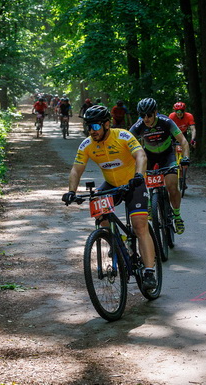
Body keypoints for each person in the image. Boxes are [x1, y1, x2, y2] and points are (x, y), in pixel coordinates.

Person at [62, 105, 157, 291]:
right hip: (112, 184)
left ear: (106, 124)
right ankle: (116, 241)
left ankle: (149, 271)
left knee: (139, 226)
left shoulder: (123, 136)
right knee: (96, 206)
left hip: (134, 183)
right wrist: (71, 191)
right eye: (88, 127)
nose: (91, 131)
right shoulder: (87, 144)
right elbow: (76, 169)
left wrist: (139, 175)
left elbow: (141, 155)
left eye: (95, 126)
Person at [130, 98, 190, 235]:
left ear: (155, 112)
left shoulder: (166, 122)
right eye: (142, 115)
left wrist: (185, 158)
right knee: (139, 178)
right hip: (149, 156)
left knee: (172, 186)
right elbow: (125, 142)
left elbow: (183, 141)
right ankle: (149, 203)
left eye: (149, 115)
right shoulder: (139, 125)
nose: (146, 118)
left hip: (167, 155)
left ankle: (177, 216)